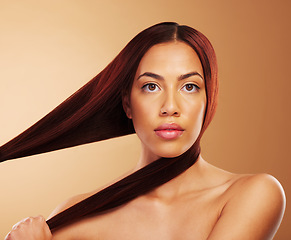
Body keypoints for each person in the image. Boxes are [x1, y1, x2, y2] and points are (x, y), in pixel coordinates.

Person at [2, 22, 285, 239]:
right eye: (151, 86)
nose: (170, 106)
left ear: (208, 99)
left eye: (189, 86)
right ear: (127, 104)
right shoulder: (75, 213)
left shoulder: (251, 194)